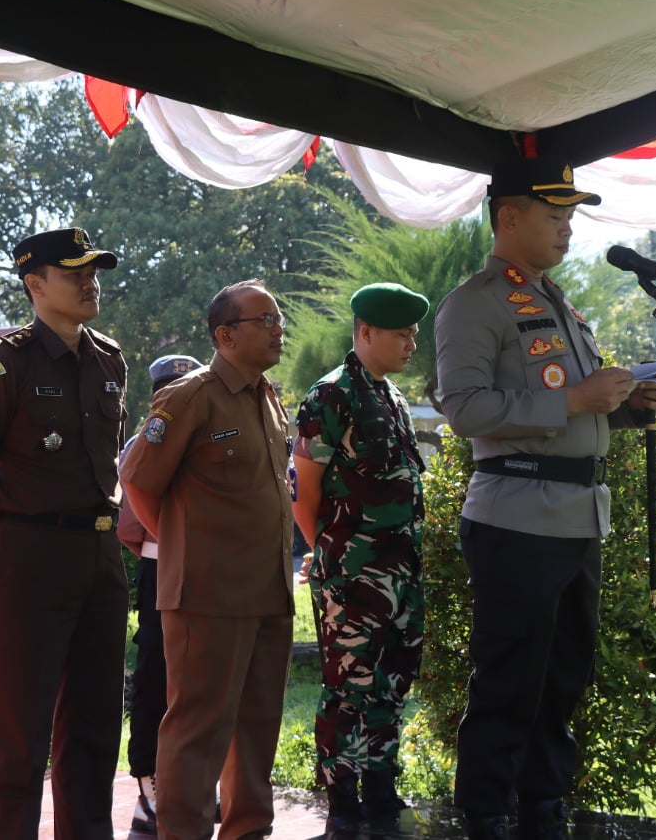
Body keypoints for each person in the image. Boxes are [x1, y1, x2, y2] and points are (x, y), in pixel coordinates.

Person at [434, 158, 656, 840]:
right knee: (509, 676)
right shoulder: (474, 302)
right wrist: (576, 397)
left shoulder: (558, 301)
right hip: (516, 516)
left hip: (577, 515)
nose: (568, 229)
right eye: (555, 215)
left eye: (571, 218)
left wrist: (624, 408)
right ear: (509, 217)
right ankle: (486, 813)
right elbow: (466, 408)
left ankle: (542, 805)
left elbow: (574, 412)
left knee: (564, 673)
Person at [0, 227, 129, 840]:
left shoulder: (109, 358)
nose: (89, 281)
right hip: (26, 558)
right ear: (34, 284)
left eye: (92, 270)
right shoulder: (2, 366)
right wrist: (9, 538)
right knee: (17, 741)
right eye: (75, 272)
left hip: (100, 558)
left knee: (95, 733)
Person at [120, 279, 296, 840]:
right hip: (205, 593)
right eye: (263, 320)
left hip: (268, 592)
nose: (277, 328)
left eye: (278, 318)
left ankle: (247, 831)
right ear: (225, 334)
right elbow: (138, 481)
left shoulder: (266, 395)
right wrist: (181, 546)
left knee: (256, 729)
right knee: (197, 733)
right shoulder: (190, 396)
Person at [292, 283, 429, 834]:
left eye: (415, 333)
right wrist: (331, 555)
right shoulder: (331, 395)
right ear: (366, 332)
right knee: (348, 687)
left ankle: (380, 788)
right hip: (353, 574)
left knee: (392, 682)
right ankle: (343, 799)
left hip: (401, 572)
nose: (411, 343)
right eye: (402, 333)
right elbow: (304, 492)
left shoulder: (390, 395)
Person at [118, 353, 204, 835]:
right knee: (155, 671)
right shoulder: (143, 441)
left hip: (211, 570)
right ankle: (148, 778)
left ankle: (192, 777)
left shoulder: (212, 437)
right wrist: (166, 544)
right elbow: (130, 523)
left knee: (202, 675)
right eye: (170, 387)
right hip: (159, 567)